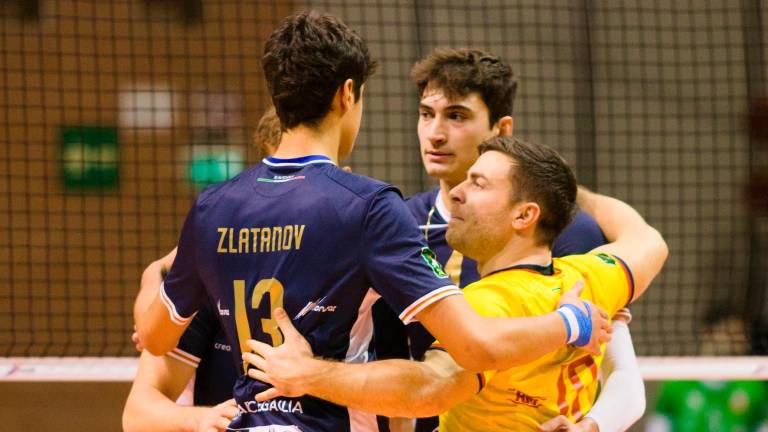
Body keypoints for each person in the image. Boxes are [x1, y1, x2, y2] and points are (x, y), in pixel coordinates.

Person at [134, 11, 611, 431]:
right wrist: (572, 322)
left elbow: (154, 337)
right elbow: (477, 348)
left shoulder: (212, 207)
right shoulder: (368, 206)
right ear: (347, 95)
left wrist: (155, 274)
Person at [242, 136, 669, 431]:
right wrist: (574, 194)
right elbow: (648, 241)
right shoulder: (592, 276)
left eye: (477, 183)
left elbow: (429, 389)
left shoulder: (488, 305)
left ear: (525, 215)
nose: (456, 193)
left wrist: (308, 375)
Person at [373, 48, 645, 432]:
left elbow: (623, 376)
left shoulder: (565, 234)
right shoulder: (396, 226)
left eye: (456, 116)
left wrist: (592, 426)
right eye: (426, 114)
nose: (435, 133)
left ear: (501, 130)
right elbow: (389, 359)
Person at [123, 108, 282, 432]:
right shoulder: (215, 261)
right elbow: (137, 414)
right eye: (274, 172)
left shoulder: (354, 256)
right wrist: (202, 418)